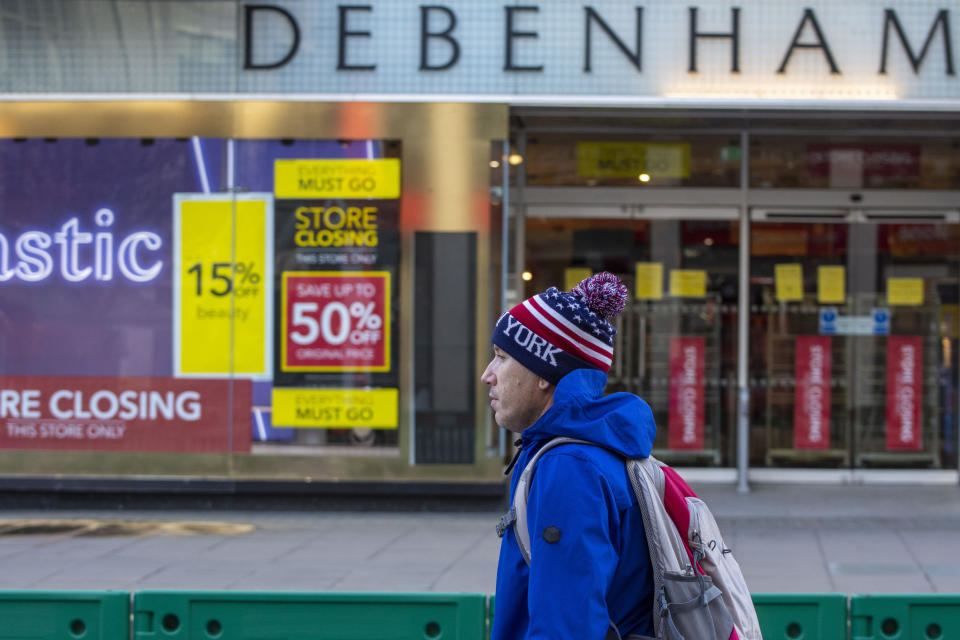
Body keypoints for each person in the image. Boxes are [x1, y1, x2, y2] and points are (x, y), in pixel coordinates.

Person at [483, 272, 656, 640]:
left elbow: (566, 628)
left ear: (544, 371)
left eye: (501, 358)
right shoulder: (586, 450)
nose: (488, 375)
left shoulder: (569, 467)